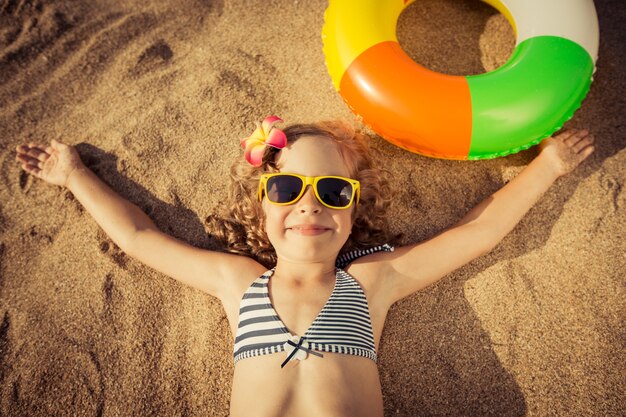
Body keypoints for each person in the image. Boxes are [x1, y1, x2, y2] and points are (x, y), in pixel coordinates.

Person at [15, 117, 594, 417]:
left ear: (353, 209)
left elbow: (477, 233)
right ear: (262, 202)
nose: (308, 204)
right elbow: (140, 236)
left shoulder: (371, 283)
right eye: (288, 186)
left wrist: (548, 168)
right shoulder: (236, 282)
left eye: (332, 191)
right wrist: (74, 175)